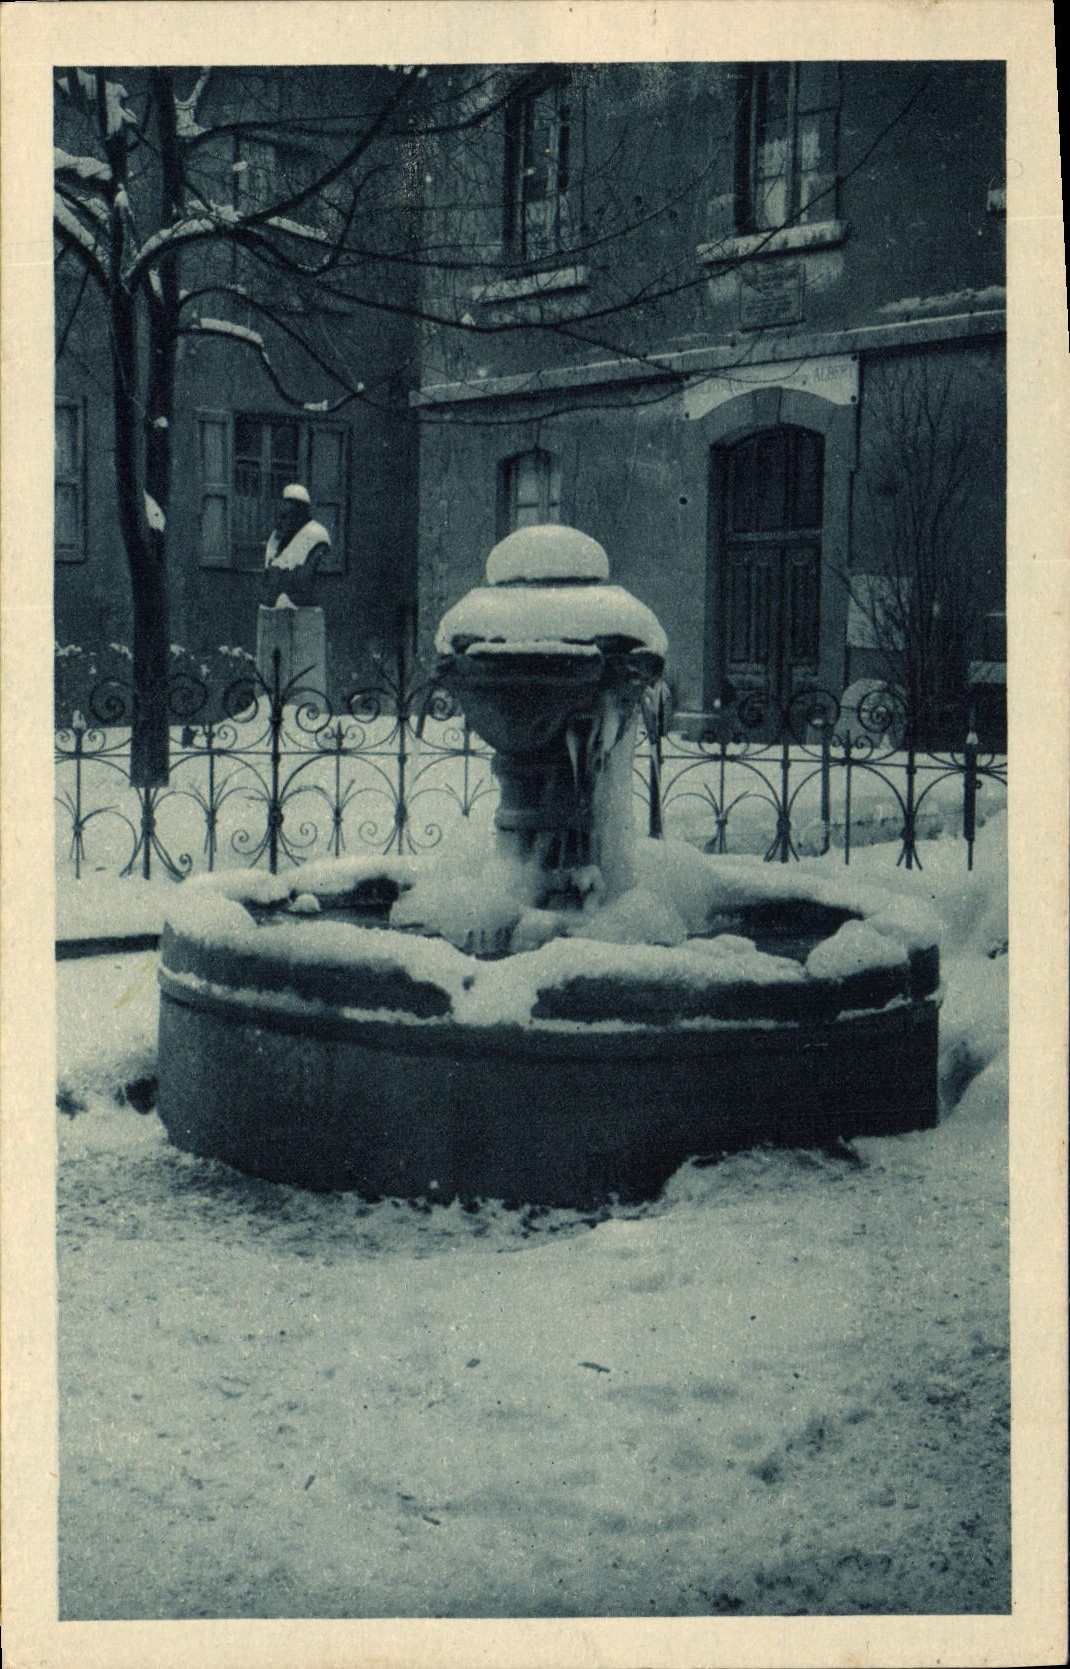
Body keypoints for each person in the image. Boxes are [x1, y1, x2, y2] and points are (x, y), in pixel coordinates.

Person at [262, 483, 331, 609]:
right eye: (278, 517)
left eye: (285, 517)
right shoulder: (276, 538)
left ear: (300, 516)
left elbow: (308, 586)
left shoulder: (317, 537)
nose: (278, 522)